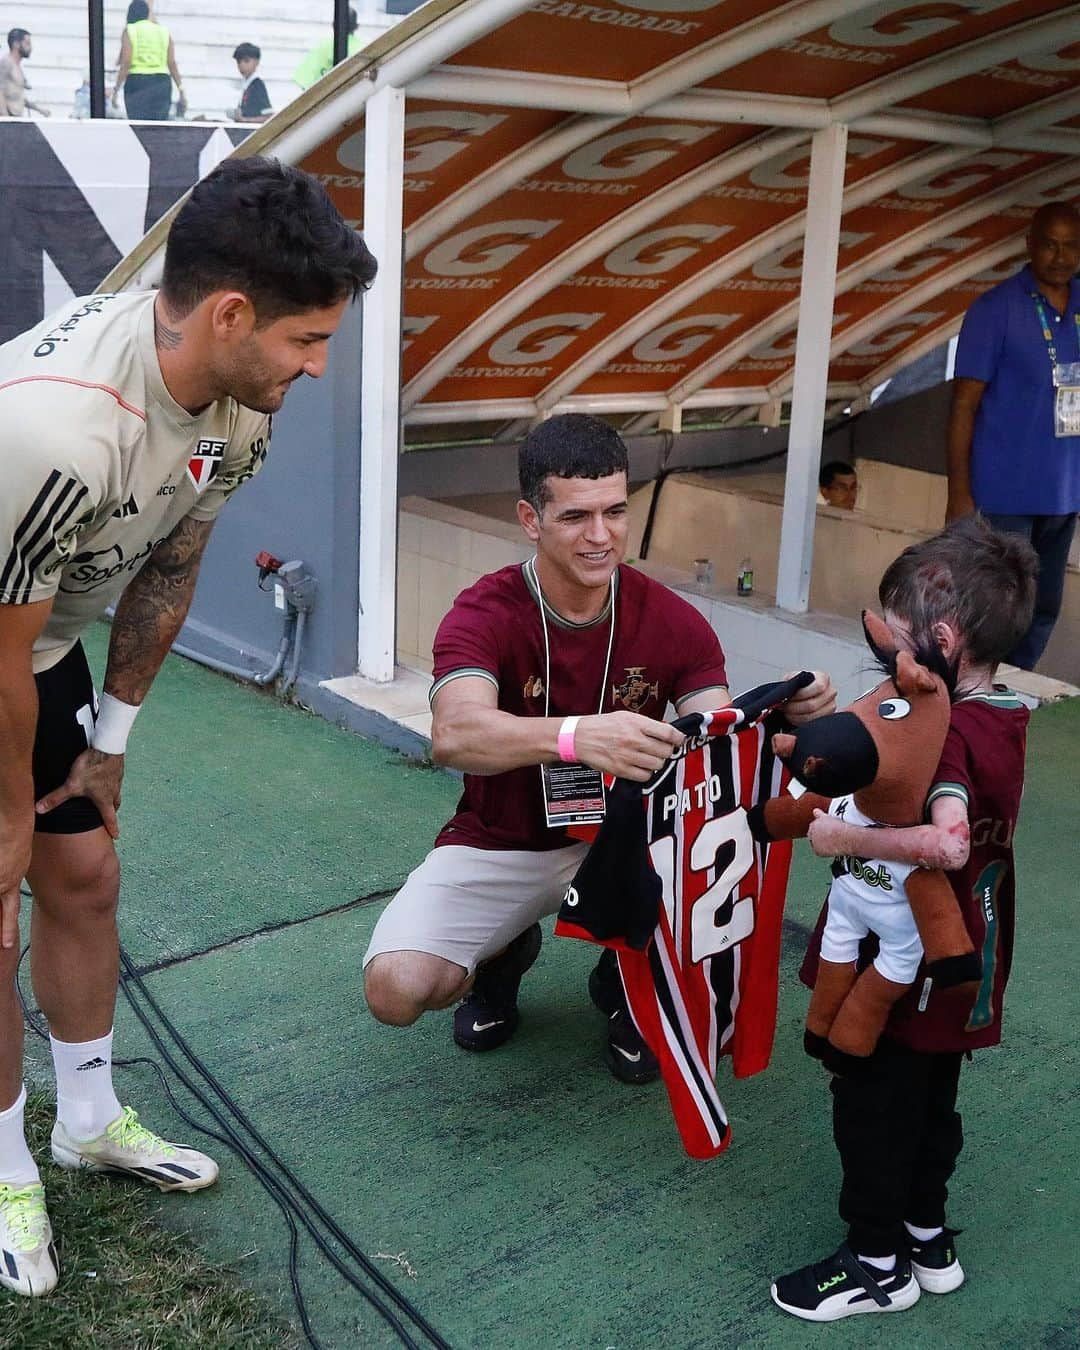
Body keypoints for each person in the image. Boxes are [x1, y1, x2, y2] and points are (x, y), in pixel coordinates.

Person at [0, 155, 377, 1299]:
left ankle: (89, 1119)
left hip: (39, 646)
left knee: (85, 882)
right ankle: (5, 1165)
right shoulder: (58, 433)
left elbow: (174, 556)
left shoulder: (232, 403)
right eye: (308, 340)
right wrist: (9, 816)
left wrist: (109, 741)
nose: (318, 366)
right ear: (229, 313)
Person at [363, 414, 836, 1084]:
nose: (601, 536)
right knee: (398, 989)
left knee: (699, 858)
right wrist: (578, 733)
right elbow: (454, 734)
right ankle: (503, 955)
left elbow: (717, 741)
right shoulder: (485, 612)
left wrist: (793, 713)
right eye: (576, 517)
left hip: (629, 847)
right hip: (505, 841)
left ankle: (622, 985)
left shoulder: (672, 620)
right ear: (531, 519)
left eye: (615, 511)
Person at [770, 514, 1037, 1322]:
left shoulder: (942, 732)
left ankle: (875, 1262)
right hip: (971, 954)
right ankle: (927, 1234)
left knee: (871, 1097)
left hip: (906, 951)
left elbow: (939, 836)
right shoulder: (1005, 716)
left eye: (894, 641)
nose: (885, 660)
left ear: (942, 639)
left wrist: (834, 829)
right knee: (930, 1095)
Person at [946, 201, 1080, 669]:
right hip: (1004, 495)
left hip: (1064, 495)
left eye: (1071, 246)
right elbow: (963, 405)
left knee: (1043, 608)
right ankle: (977, 694)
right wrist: (959, 494)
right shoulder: (995, 309)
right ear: (1029, 244)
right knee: (997, 609)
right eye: (1049, 244)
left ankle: (1013, 693)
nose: (1060, 256)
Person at [112, 1, 185, 122]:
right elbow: (171, 63)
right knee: (158, 129)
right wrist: (181, 89)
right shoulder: (163, 31)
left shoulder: (130, 30)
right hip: (161, 83)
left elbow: (126, 61)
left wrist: (116, 89)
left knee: (138, 128)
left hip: (137, 83)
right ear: (146, 14)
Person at [292, 7, 362, 91]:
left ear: (333, 25)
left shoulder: (322, 46)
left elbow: (305, 82)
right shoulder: (363, 48)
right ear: (357, 27)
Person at [0, 28, 50, 119]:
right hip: (8, 118)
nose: (30, 48)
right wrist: (5, 119)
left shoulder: (17, 66)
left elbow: (18, 96)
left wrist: (39, 110)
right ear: (16, 44)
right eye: (27, 43)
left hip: (16, 118)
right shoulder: (6, 63)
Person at [230, 42, 272, 123]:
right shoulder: (247, 85)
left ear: (256, 62)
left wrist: (245, 120)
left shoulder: (257, 85)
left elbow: (269, 117)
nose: (242, 65)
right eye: (239, 62)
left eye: (246, 61)